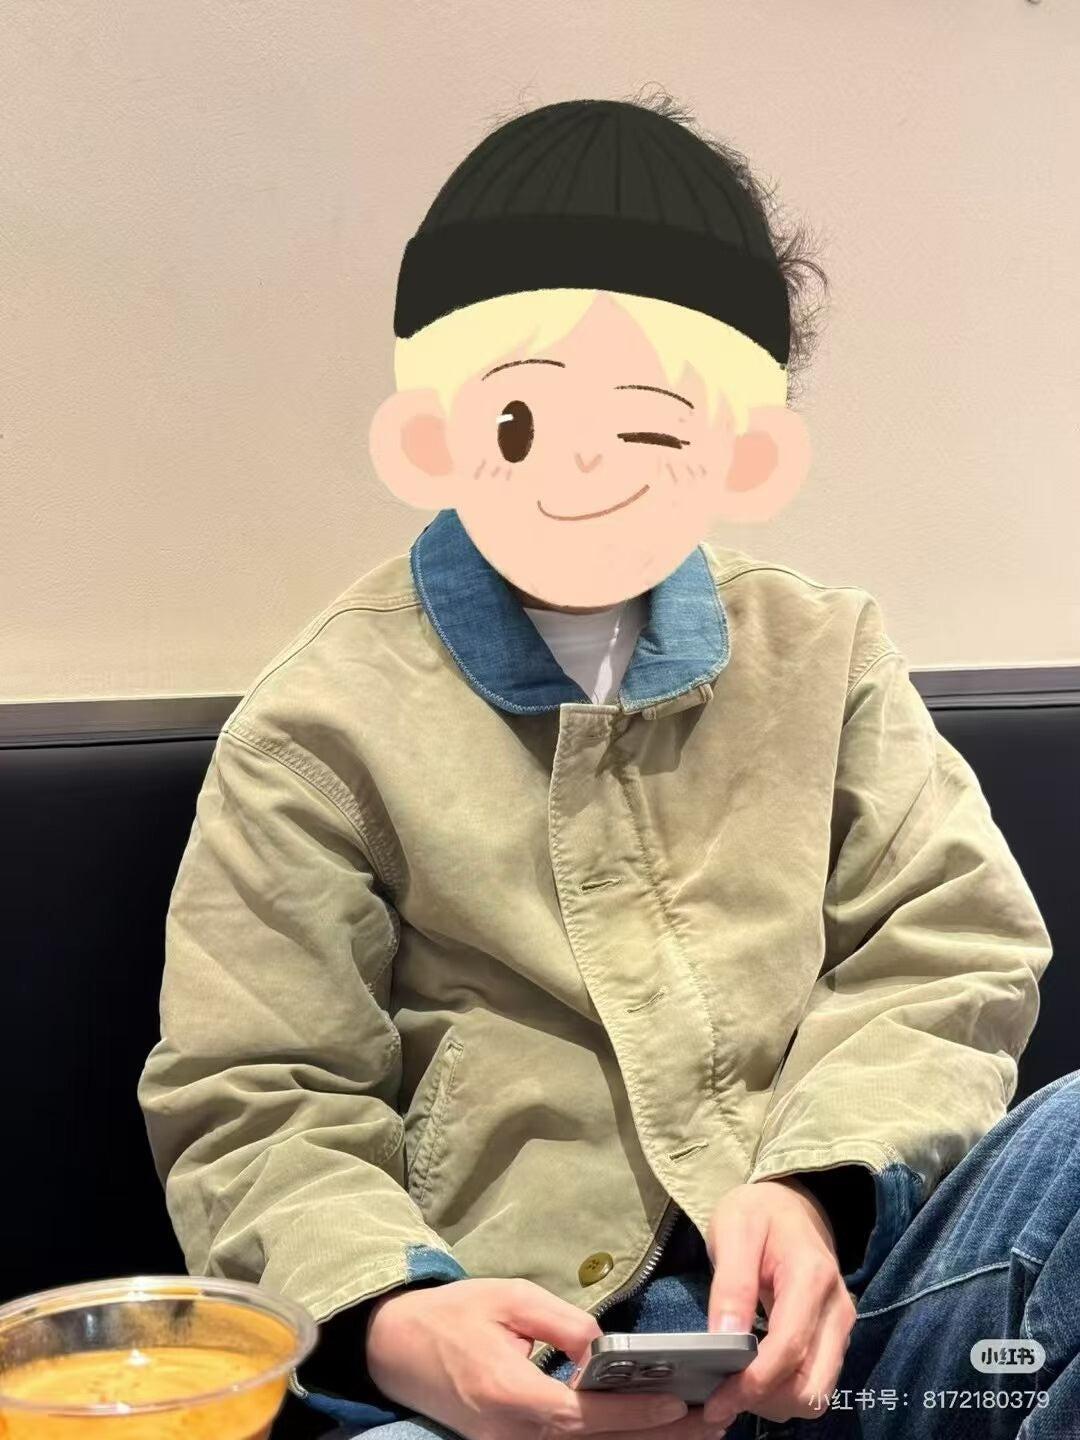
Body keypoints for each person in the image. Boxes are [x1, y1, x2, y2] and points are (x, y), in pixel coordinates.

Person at [138, 95, 1070, 1440]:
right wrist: (396, 1320)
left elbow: (948, 951)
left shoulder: (826, 655)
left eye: (648, 420)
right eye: (529, 411)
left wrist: (819, 1187)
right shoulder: (318, 727)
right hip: (511, 1369)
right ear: (441, 420)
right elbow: (257, 1096)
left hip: (856, 1314)